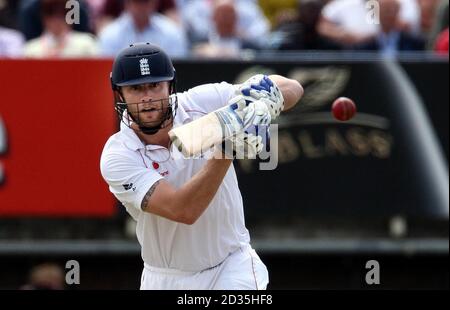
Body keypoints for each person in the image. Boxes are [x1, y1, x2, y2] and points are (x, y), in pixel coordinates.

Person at [100, 42, 303, 290]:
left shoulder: (202, 101)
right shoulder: (118, 155)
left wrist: (262, 101)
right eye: (136, 89)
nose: (147, 98)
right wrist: (228, 149)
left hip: (232, 265)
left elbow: (293, 87)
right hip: (165, 277)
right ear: (120, 94)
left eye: (155, 85)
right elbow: (183, 210)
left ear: (169, 85)